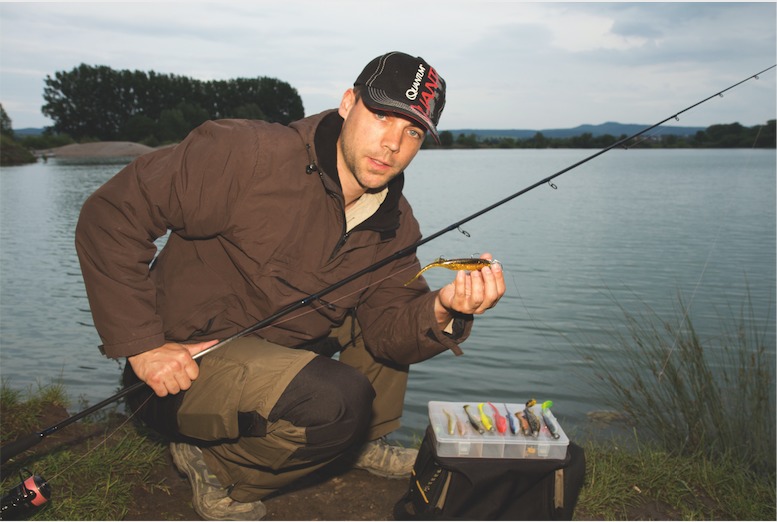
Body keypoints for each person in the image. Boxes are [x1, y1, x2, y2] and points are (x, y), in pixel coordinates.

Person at [75, 51, 505, 520]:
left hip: (278, 357)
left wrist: (443, 308)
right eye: (382, 116)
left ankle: (365, 440)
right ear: (347, 103)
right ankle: (217, 465)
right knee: (338, 401)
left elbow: (389, 331)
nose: (391, 145)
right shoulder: (246, 155)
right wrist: (143, 346)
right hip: (176, 374)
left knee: (383, 314)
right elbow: (112, 216)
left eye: (413, 131)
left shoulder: (395, 225)